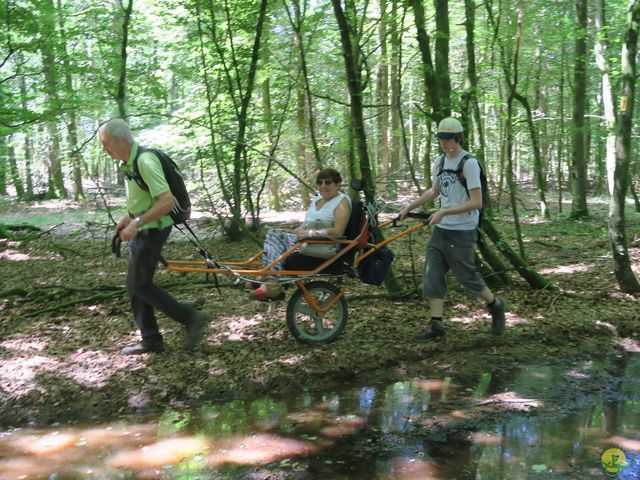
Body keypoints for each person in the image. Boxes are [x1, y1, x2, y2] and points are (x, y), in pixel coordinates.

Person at [99, 118, 209, 355]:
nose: (104, 149)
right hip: (144, 227)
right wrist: (128, 218)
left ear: (123, 140)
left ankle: (190, 318)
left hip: (153, 229)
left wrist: (137, 223)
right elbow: (145, 199)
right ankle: (151, 339)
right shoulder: (129, 163)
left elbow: (166, 201)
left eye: (106, 143)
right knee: (135, 284)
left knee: (139, 284)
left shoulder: (145, 161)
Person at [398, 117, 506, 341]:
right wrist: (410, 206)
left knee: (467, 277)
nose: (445, 143)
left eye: (448, 138)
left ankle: (495, 305)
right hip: (441, 229)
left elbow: (476, 202)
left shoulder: (469, 163)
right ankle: (436, 327)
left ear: (458, 138)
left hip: (462, 230)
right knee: (432, 275)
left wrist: (443, 213)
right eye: (441, 138)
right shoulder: (440, 161)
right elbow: (434, 191)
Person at [249, 168, 351, 300]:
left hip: (324, 245)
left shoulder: (341, 202)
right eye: (319, 183)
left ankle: (271, 284)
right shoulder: (318, 200)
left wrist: (309, 233)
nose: (323, 186)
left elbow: (338, 232)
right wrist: (294, 231)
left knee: (274, 236)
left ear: (338, 184)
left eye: (328, 182)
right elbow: (309, 223)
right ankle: (267, 279)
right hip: (308, 241)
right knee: (273, 233)